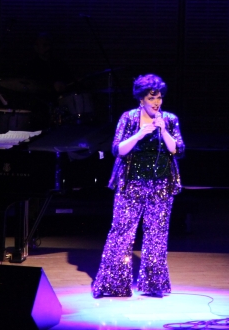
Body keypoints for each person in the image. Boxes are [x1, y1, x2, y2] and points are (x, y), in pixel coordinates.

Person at [91, 74, 184, 298]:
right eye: (152, 98)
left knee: (157, 235)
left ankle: (154, 285)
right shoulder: (129, 118)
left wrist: (163, 131)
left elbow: (177, 150)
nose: (156, 102)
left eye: (159, 98)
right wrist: (140, 133)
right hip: (131, 184)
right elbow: (118, 149)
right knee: (121, 232)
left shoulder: (169, 119)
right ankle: (113, 284)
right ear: (141, 99)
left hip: (161, 184)